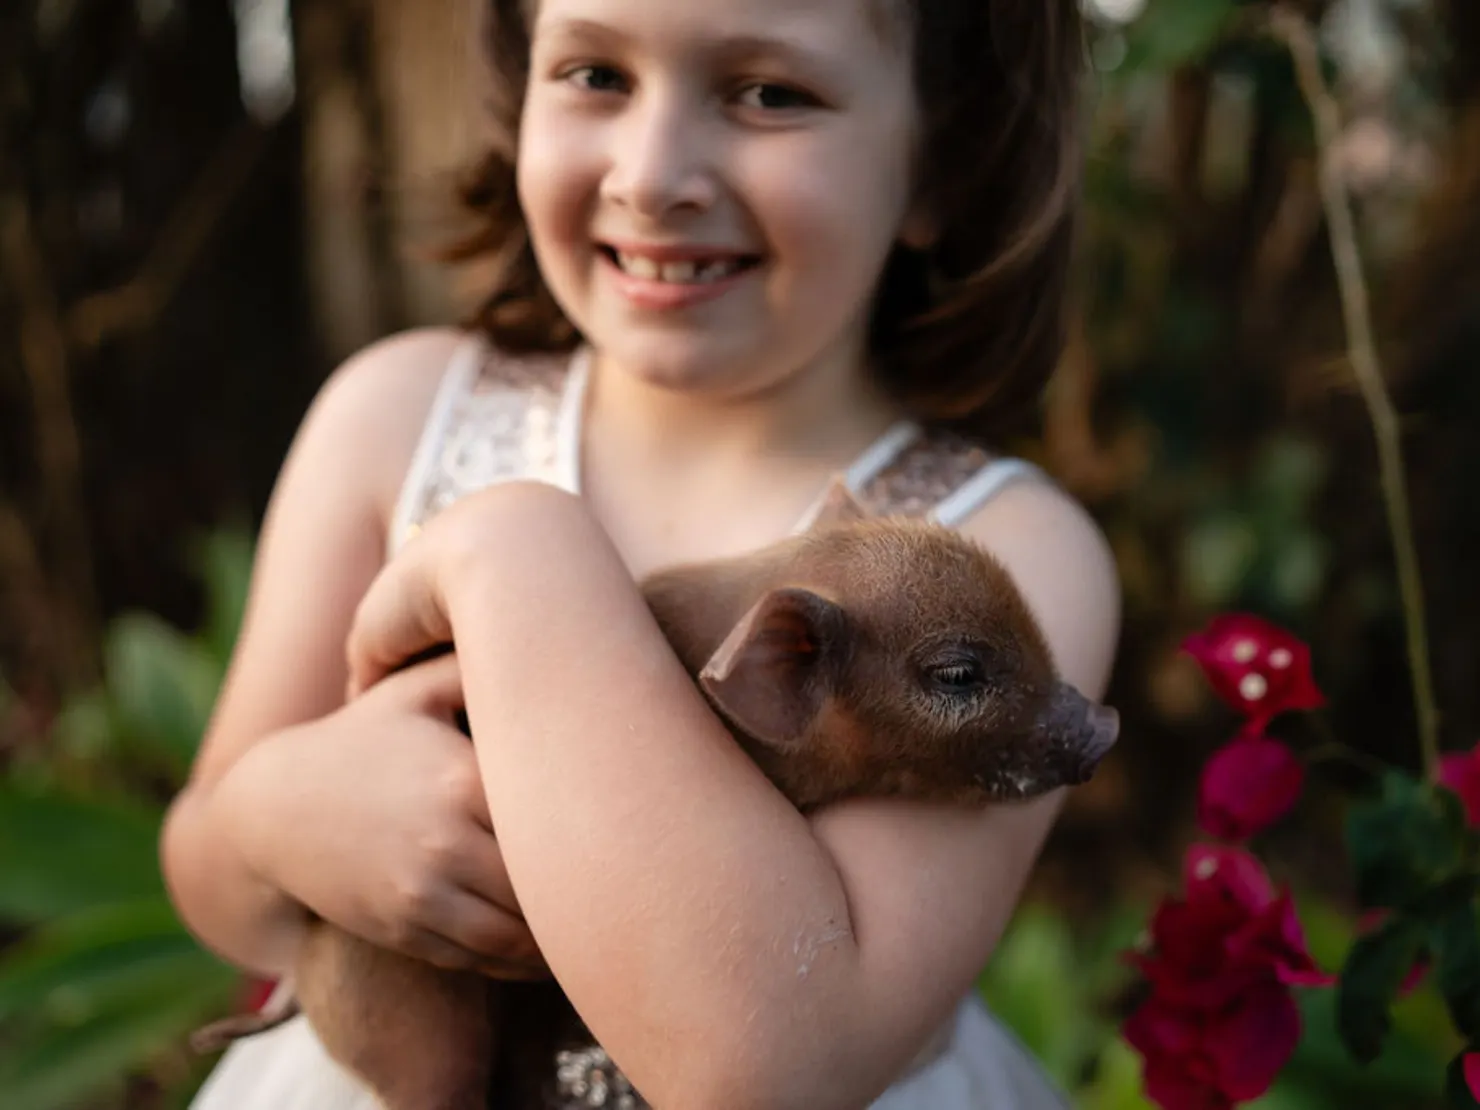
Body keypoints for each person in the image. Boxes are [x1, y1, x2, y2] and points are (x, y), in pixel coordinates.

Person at [161, 0, 1120, 1105]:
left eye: (770, 92)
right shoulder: (392, 418)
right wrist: (280, 812)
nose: (654, 173)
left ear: (943, 157)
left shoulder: (1006, 550)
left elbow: (770, 1067)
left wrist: (512, 556)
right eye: (594, 74)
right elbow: (207, 872)